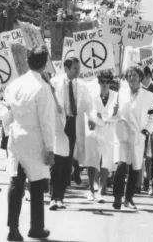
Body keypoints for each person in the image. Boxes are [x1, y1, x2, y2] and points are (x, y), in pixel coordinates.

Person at [0, 46, 55, 241]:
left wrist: (8, 131)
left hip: (16, 136)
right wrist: (50, 148)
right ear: (45, 63)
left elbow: (5, 112)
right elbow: (46, 121)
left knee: (16, 181)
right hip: (35, 139)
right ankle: (36, 228)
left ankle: (13, 229)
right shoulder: (42, 88)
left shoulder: (15, 84)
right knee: (37, 183)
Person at [112, 65, 153, 210]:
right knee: (120, 166)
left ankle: (129, 198)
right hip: (122, 135)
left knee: (135, 167)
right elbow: (112, 114)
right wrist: (113, 111)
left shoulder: (148, 96)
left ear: (140, 78)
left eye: (135, 75)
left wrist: (147, 131)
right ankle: (117, 197)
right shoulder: (120, 94)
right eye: (129, 75)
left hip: (138, 136)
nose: (132, 78)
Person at [49, 57, 92, 210]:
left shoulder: (82, 86)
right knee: (56, 161)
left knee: (67, 163)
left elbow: (88, 105)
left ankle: (60, 197)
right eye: (75, 68)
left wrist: (92, 118)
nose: (78, 71)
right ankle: (53, 197)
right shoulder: (54, 83)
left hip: (74, 124)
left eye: (79, 68)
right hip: (58, 124)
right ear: (66, 69)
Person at [85, 71, 118, 203]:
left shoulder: (116, 97)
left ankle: (100, 190)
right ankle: (91, 190)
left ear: (110, 83)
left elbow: (116, 117)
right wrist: (106, 117)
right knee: (93, 162)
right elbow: (92, 115)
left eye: (107, 82)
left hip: (109, 133)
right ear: (98, 82)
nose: (104, 84)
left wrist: (106, 116)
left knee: (106, 162)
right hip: (94, 133)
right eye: (102, 81)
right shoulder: (93, 96)